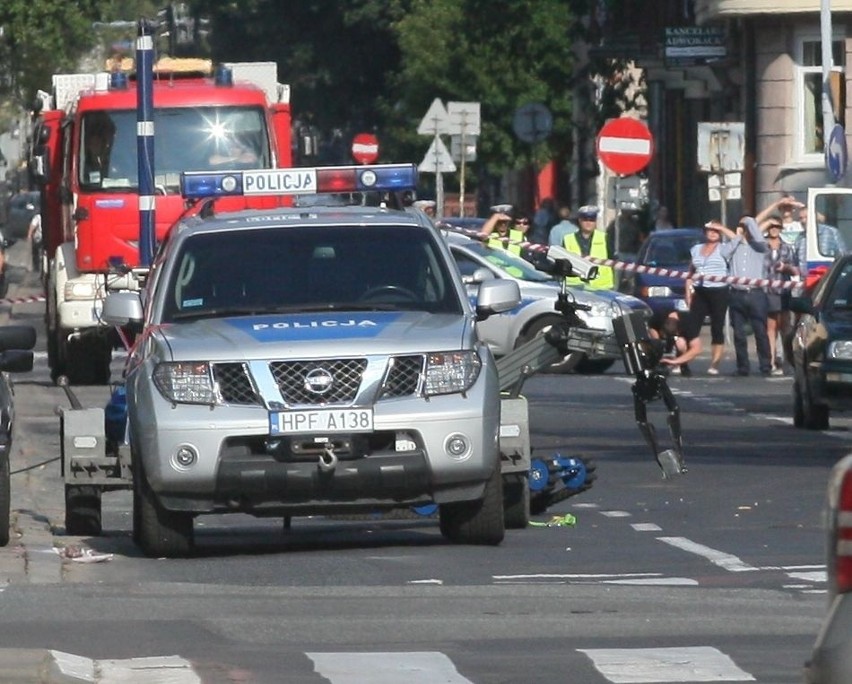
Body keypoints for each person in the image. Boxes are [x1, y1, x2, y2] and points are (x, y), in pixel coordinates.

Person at [714, 215, 772, 377]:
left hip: (756, 294)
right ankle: (743, 367)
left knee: (760, 331)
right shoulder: (733, 246)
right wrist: (738, 236)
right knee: (739, 333)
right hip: (737, 293)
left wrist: (748, 222)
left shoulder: (760, 247)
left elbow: (759, 237)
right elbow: (724, 253)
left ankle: (765, 366)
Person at [685, 220, 736, 375]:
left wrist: (721, 227)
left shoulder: (724, 249)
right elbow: (690, 271)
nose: (712, 233)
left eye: (715, 231)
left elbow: (736, 239)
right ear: (704, 232)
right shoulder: (696, 249)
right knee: (691, 326)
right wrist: (688, 292)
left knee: (716, 327)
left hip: (719, 291)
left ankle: (714, 363)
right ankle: (684, 360)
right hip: (701, 290)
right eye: (709, 230)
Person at [761, 215, 799, 375]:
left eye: (777, 226)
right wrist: (767, 222)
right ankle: (771, 362)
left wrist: (786, 268)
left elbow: (795, 270)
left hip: (783, 291)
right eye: (771, 226)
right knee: (770, 327)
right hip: (767, 291)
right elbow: (755, 230)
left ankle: (787, 361)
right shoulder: (762, 246)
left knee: (785, 326)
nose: (774, 229)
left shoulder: (787, 248)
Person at [563, 205, 614, 290]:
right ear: (580, 220)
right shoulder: (568, 239)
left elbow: (613, 260)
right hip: (575, 286)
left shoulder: (605, 238)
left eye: (592, 220)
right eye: (585, 220)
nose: (588, 223)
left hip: (601, 287)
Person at [654, 310, 701, 376]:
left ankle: (683, 364)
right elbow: (652, 328)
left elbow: (696, 349)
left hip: (681, 337)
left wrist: (674, 362)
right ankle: (657, 363)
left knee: (681, 343)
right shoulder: (658, 318)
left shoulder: (689, 323)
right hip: (659, 329)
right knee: (656, 343)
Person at [26, 209, 43, 274]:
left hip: (40, 237)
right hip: (40, 238)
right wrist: (29, 235)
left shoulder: (38, 217)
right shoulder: (38, 217)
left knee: (35, 250)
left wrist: (29, 235)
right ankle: (36, 267)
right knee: (35, 250)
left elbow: (32, 226)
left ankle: (36, 267)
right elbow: (32, 227)